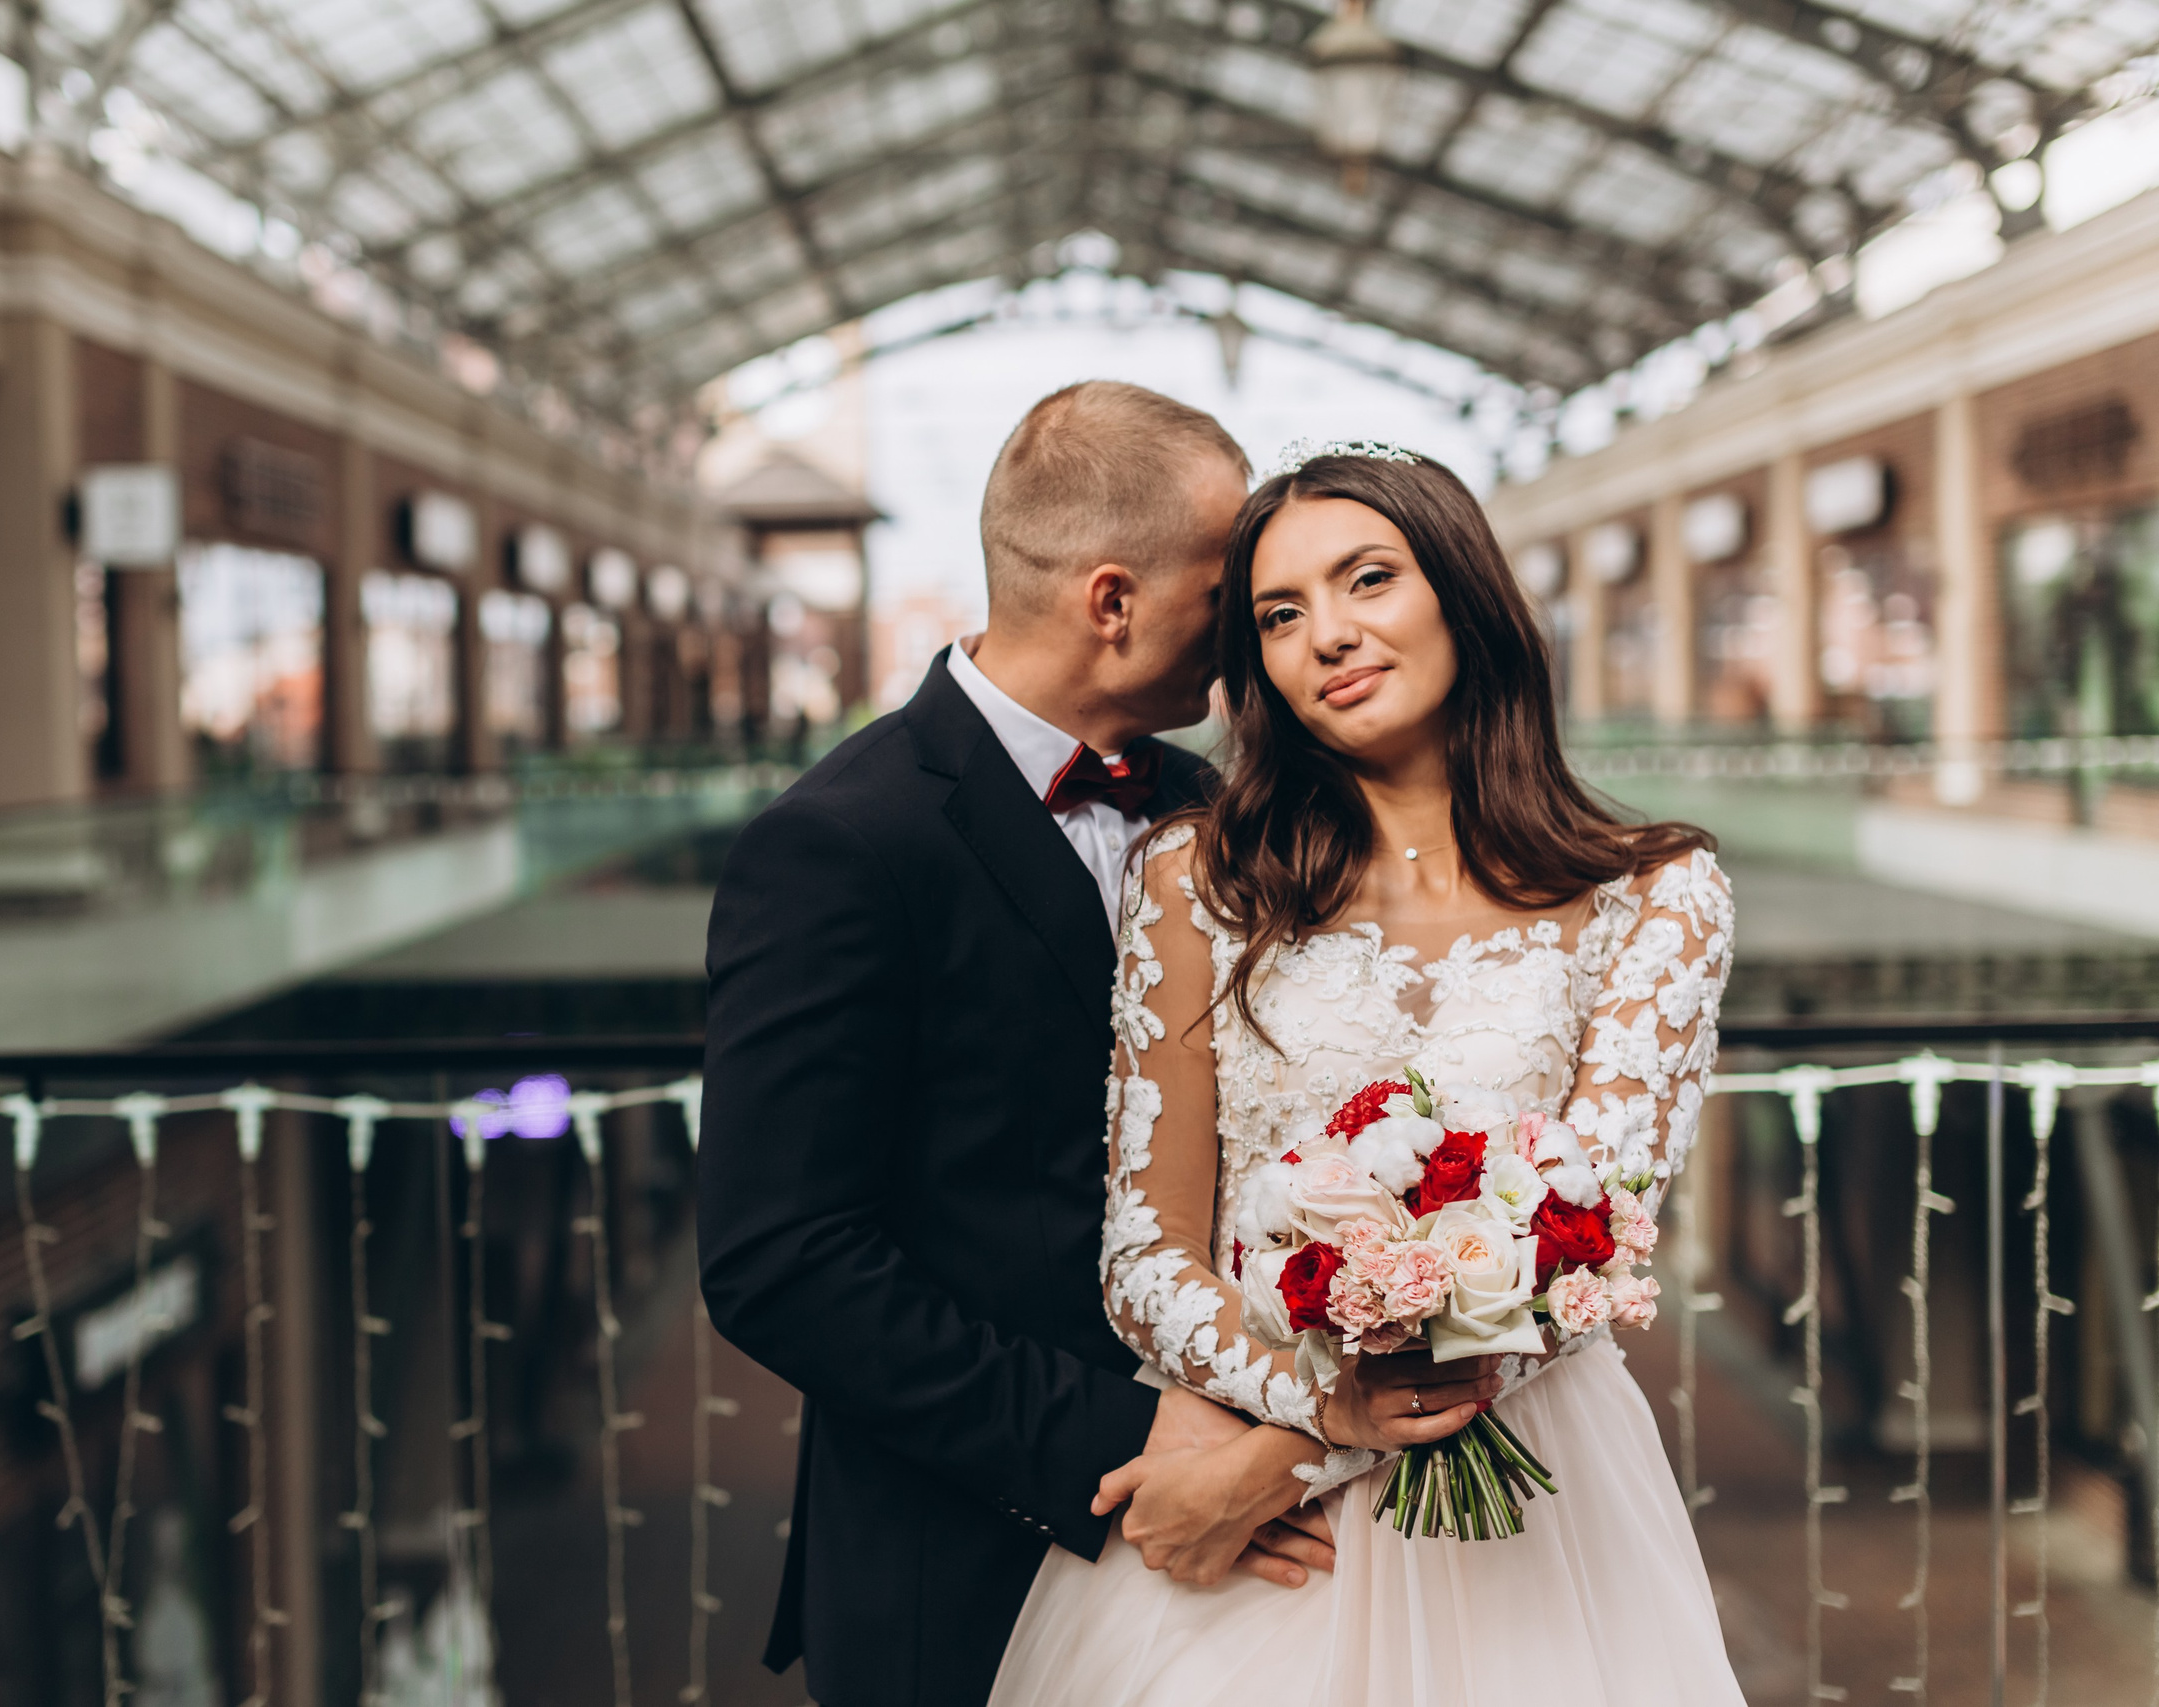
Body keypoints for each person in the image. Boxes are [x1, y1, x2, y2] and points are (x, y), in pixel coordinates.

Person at [699, 384, 1433, 1707]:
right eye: (1231, 593)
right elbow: (779, 1258)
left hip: (1265, 1547)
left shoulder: (1229, 812)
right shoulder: (838, 844)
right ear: (1113, 601)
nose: (1256, 634)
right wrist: (1127, 1438)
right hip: (967, 1559)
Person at [988, 442, 1744, 1705]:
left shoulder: (1655, 897)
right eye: (1279, 614)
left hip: (1526, 1511)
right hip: (1251, 1548)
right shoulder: (1192, 882)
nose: (1326, 635)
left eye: (1368, 580)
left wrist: (1270, 1467)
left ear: (1461, 593)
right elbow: (1143, 1257)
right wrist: (1319, 1416)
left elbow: (1592, 1249)